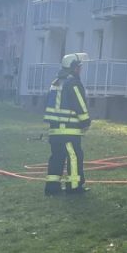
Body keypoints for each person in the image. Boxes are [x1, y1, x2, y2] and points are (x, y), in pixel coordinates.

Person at [44, 53, 91, 195]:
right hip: (69, 130)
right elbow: (80, 104)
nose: (80, 70)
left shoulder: (56, 82)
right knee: (74, 157)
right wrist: (85, 121)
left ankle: (52, 188)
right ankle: (74, 187)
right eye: (79, 67)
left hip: (55, 130)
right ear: (73, 68)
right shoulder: (72, 83)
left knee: (56, 157)